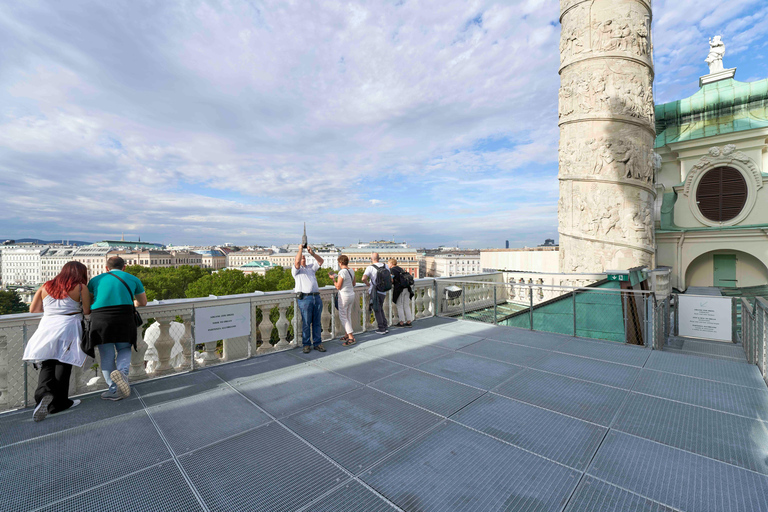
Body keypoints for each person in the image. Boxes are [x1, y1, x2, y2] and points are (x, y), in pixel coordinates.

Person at [23, 261, 91, 421]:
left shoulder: (46, 286)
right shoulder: (81, 287)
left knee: (47, 363)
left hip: (47, 326)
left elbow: (33, 309)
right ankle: (59, 403)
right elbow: (87, 310)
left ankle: (43, 396)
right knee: (63, 363)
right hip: (69, 326)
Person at [86, 256, 147, 401]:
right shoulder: (133, 279)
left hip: (101, 319)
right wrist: (131, 303)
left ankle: (113, 389)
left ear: (106, 268)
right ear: (124, 267)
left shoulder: (95, 280)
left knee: (106, 355)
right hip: (124, 317)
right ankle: (122, 374)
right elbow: (142, 302)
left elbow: (87, 303)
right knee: (124, 349)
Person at [293, 245, 325, 353]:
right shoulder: (296, 271)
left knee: (317, 322)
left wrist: (312, 253)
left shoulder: (311, 268)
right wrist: (300, 249)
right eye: (301, 257)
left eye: (304, 258)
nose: (303, 259)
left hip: (316, 297)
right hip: (305, 298)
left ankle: (317, 343)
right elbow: (297, 263)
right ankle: (306, 344)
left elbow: (321, 261)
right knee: (306, 322)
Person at [331, 255, 356, 346]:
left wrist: (333, 279)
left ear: (340, 263)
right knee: (348, 315)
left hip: (344, 296)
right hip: (351, 295)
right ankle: (346, 335)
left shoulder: (342, 272)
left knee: (343, 316)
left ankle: (351, 337)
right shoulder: (351, 270)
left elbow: (338, 286)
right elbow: (354, 283)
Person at [362, 252, 389, 335]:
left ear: (371, 259)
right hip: (384, 290)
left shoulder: (370, 268)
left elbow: (363, 278)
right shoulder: (385, 266)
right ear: (379, 258)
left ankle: (381, 328)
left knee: (377, 309)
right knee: (380, 308)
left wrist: (367, 283)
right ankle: (385, 326)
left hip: (375, 291)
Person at [388, 258, 414, 328]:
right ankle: (409, 321)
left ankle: (401, 322)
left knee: (399, 305)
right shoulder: (401, 269)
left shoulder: (392, 270)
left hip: (400, 289)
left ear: (391, 263)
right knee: (406, 305)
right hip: (407, 288)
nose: (388, 265)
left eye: (388, 263)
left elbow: (392, 280)